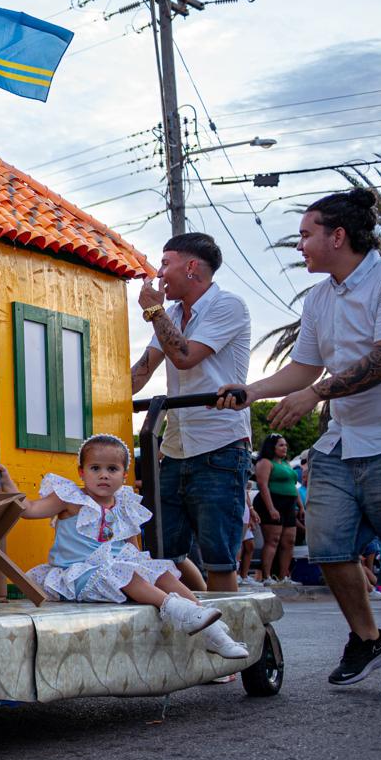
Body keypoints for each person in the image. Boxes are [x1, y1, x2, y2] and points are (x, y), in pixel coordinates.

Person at [217, 188, 381, 700]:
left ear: (338, 236)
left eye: (306, 235)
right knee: (326, 545)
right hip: (345, 439)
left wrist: (315, 395)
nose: (300, 245)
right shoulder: (321, 298)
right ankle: (368, 639)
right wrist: (251, 390)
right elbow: (306, 365)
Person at [0, 435, 247, 659]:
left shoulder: (125, 503)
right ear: (81, 472)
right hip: (80, 573)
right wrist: (8, 483)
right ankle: (177, 610)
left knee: (160, 572)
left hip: (116, 570)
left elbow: (132, 549)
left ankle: (211, 630)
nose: (104, 474)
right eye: (95, 468)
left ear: (124, 474)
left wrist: (147, 570)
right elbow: (30, 510)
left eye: (112, 469)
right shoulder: (69, 498)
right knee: (128, 574)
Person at [131, 233, 252, 594]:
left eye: (165, 263)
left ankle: (228, 636)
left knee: (219, 557)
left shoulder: (228, 305)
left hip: (221, 446)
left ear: (192, 267)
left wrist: (153, 311)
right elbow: (143, 371)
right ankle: (197, 613)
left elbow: (184, 356)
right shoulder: (169, 316)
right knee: (161, 551)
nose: (160, 272)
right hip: (175, 447)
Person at [253, 434, 303, 585]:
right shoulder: (265, 462)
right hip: (273, 502)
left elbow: (293, 486)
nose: (285, 448)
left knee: (289, 541)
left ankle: (283, 577)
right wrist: (271, 508)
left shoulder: (286, 464)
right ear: (272, 447)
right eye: (281, 445)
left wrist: (300, 506)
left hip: (289, 505)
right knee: (273, 540)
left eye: (285, 445)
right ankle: (267, 576)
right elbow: (262, 485)